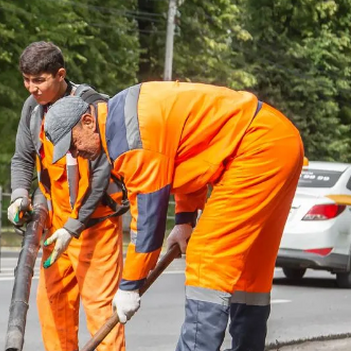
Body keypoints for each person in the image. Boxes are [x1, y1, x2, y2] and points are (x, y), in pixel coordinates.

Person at [43, 81, 304, 351]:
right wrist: (184, 221)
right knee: (250, 272)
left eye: (73, 144)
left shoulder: (130, 140)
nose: (76, 154)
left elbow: (148, 224)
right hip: (278, 140)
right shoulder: (123, 113)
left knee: (206, 259)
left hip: (254, 149)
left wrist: (129, 285)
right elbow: (190, 159)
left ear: (87, 120)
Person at [8, 41, 127, 351]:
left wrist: (73, 226)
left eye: (39, 80)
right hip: (54, 226)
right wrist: (19, 196)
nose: (31, 88)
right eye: (26, 79)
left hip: (94, 228)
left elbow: (100, 174)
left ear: (60, 75)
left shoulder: (92, 108)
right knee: (53, 308)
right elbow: (22, 158)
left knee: (102, 315)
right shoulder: (32, 109)